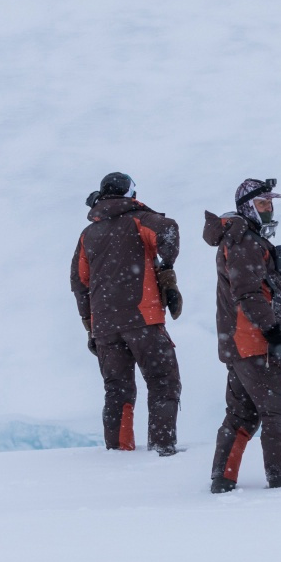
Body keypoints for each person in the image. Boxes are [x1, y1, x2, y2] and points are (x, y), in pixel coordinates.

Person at [70, 172, 183, 456]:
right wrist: (167, 268)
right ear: (130, 193)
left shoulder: (88, 234)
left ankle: (119, 452)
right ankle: (161, 448)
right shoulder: (138, 219)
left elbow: (79, 282)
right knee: (163, 381)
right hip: (142, 319)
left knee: (117, 389)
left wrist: (89, 324)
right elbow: (167, 229)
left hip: (105, 327)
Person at [203, 178, 281, 493]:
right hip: (255, 344)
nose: (269, 209)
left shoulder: (241, 238)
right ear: (248, 207)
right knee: (279, 413)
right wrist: (272, 332)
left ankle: (223, 480)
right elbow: (248, 292)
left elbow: (251, 288)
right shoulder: (243, 241)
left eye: (270, 204)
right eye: (262, 204)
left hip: (239, 343)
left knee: (241, 415)